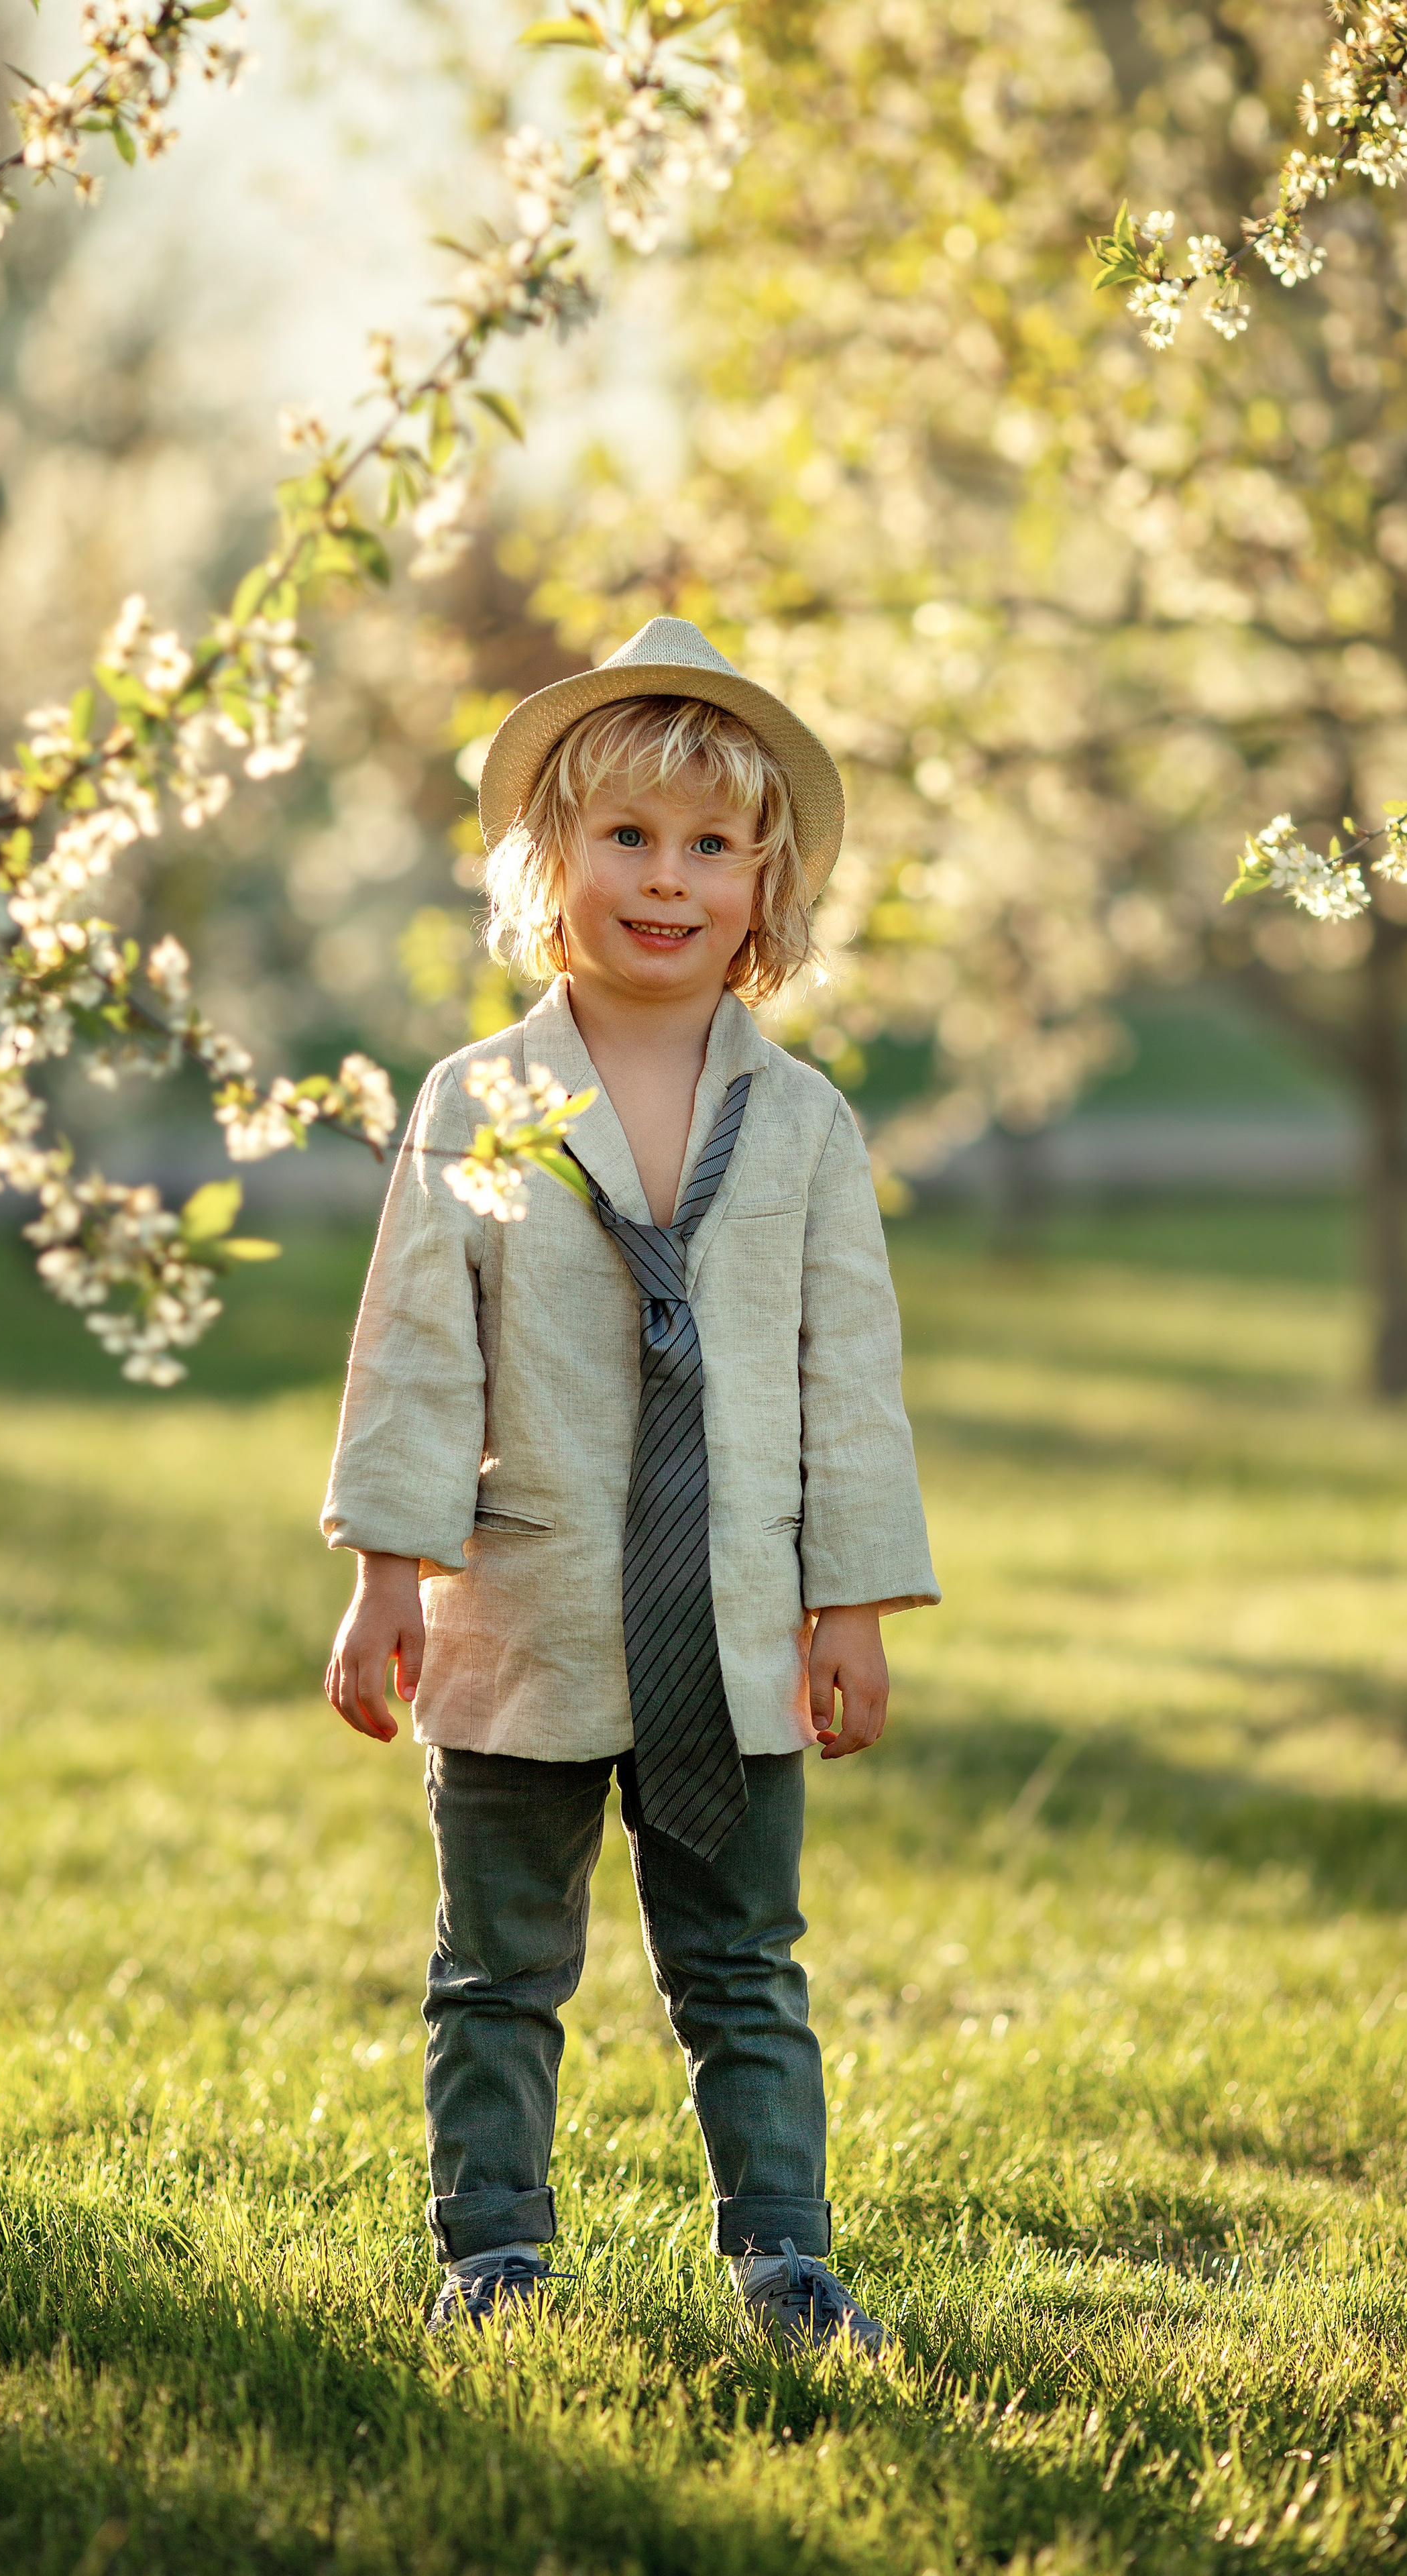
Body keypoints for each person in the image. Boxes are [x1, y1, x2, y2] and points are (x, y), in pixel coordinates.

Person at [321, 616, 940, 2349]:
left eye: (711, 846)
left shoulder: (804, 1121)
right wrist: (384, 1575)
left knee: (744, 1967)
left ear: (766, 883)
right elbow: (416, 1351)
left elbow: (848, 1378)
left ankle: (786, 2262)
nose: (667, 880)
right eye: (627, 838)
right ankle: (494, 2258)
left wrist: (854, 1604)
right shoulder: (481, 1098)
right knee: (498, 1968)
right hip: (517, 1615)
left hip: (736, 1627)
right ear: (551, 862)